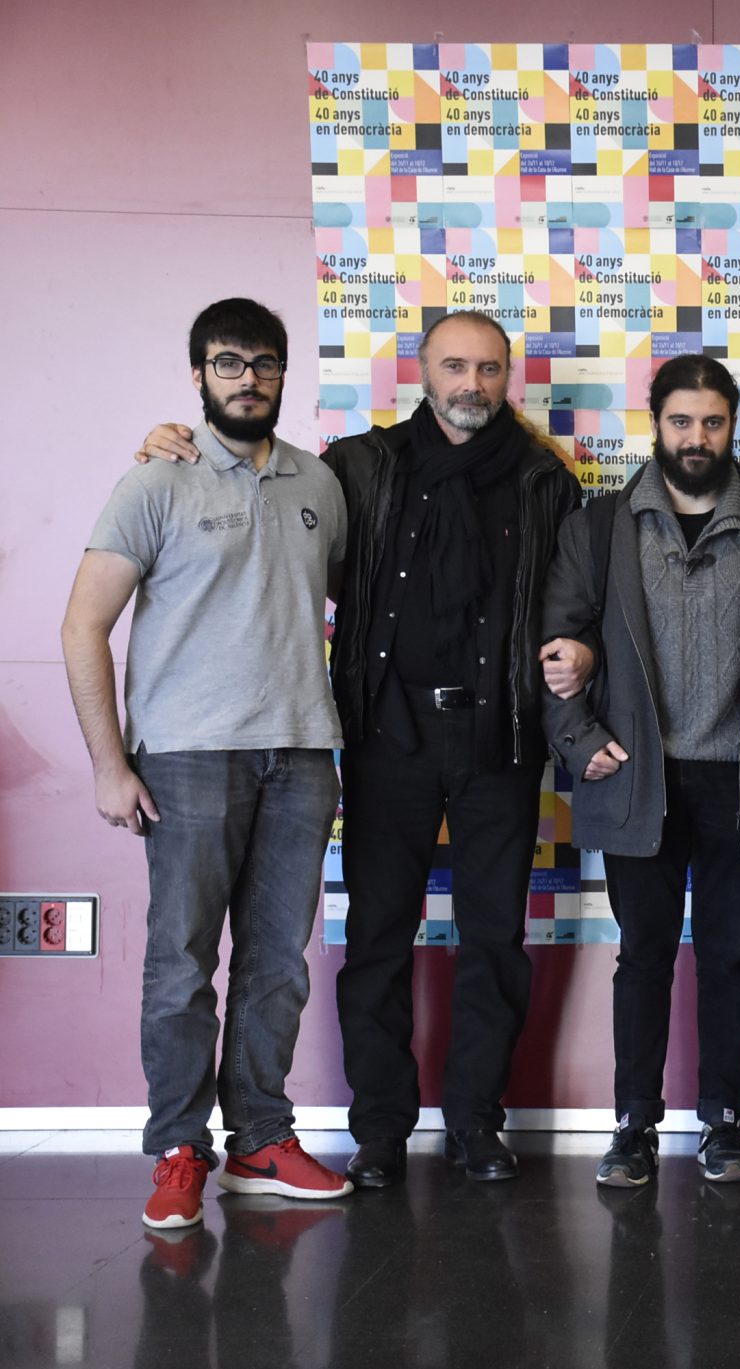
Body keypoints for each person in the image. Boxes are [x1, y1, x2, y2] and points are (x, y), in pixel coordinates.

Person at [137, 310, 583, 1186]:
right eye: (454, 366)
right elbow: (273, 510)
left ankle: (476, 1123)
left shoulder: (544, 479)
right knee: (377, 936)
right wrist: (164, 444)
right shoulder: (360, 466)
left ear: (508, 377)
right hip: (385, 733)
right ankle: (379, 1129)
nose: (471, 384)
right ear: (424, 371)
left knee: (495, 938)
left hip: (502, 736)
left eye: (488, 369)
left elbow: (570, 601)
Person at [63, 298, 353, 1227]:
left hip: (300, 752)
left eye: (263, 363)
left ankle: (260, 1138)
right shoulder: (156, 480)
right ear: (198, 375)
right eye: (228, 362)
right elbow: (82, 624)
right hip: (186, 756)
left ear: (283, 373)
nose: (248, 379)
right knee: (182, 962)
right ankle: (179, 1147)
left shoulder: (319, 483)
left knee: (277, 964)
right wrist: (109, 763)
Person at [540, 354, 740, 1186]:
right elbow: (554, 646)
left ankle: (723, 1123)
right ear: (655, 423)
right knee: (644, 955)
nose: (697, 437)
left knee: (728, 954)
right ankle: (633, 1126)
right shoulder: (599, 525)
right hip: (638, 779)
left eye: (713, 422)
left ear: (734, 426)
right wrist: (579, 740)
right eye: (681, 421)